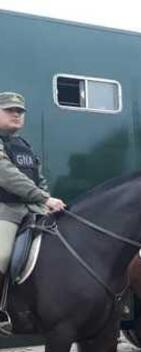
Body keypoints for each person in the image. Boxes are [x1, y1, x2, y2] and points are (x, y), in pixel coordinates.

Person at [0, 92, 66, 333]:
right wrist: (44, 198)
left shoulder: (23, 146)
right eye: (10, 110)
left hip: (31, 209)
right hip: (4, 211)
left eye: (19, 111)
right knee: (2, 256)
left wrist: (45, 202)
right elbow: (7, 176)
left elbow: (39, 178)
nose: (16, 114)